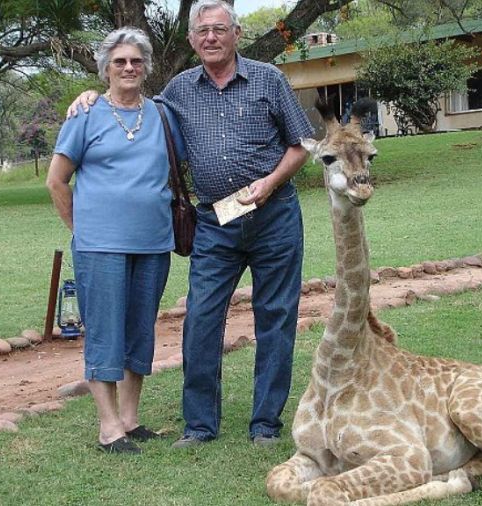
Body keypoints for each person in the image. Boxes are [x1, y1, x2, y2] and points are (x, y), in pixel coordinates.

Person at [70, 0, 314, 448]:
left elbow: (301, 143)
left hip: (275, 217)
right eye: (202, 31)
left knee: (275, 317)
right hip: (215, 222)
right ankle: (200, 425)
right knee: (200, 317)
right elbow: (129, 101)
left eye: (220, 29)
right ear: (191, 39)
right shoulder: (178, 91)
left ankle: (265, 423)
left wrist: (272, 181)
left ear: (236, 33)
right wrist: (88, 95)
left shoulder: (268, 79)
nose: (211, 38)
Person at [48, 27, 186, 454]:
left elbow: (179, 166)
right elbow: (56, 181)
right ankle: (109, 428)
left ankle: (130, 418)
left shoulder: (163, 115)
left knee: (140, 331)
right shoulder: (85, 114)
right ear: (106, 68)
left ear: (146, 67)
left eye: (137, 61)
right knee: (105, 333)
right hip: (99, 246)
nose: (129, 67)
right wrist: (83, 231)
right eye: (120, 61)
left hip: (153, 243)